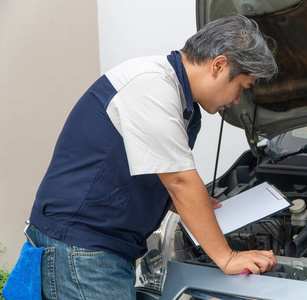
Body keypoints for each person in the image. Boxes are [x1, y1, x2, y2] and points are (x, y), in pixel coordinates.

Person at [25, 14, 278, 299]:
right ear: (219, 66)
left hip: (94, 247)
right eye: (242, 88)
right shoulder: (152, 86)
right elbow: (180, 181)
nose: (236, 101)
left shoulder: (181, 100)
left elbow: (145, 168)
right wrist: (228, 258)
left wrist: (187, 205)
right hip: (82, 250)